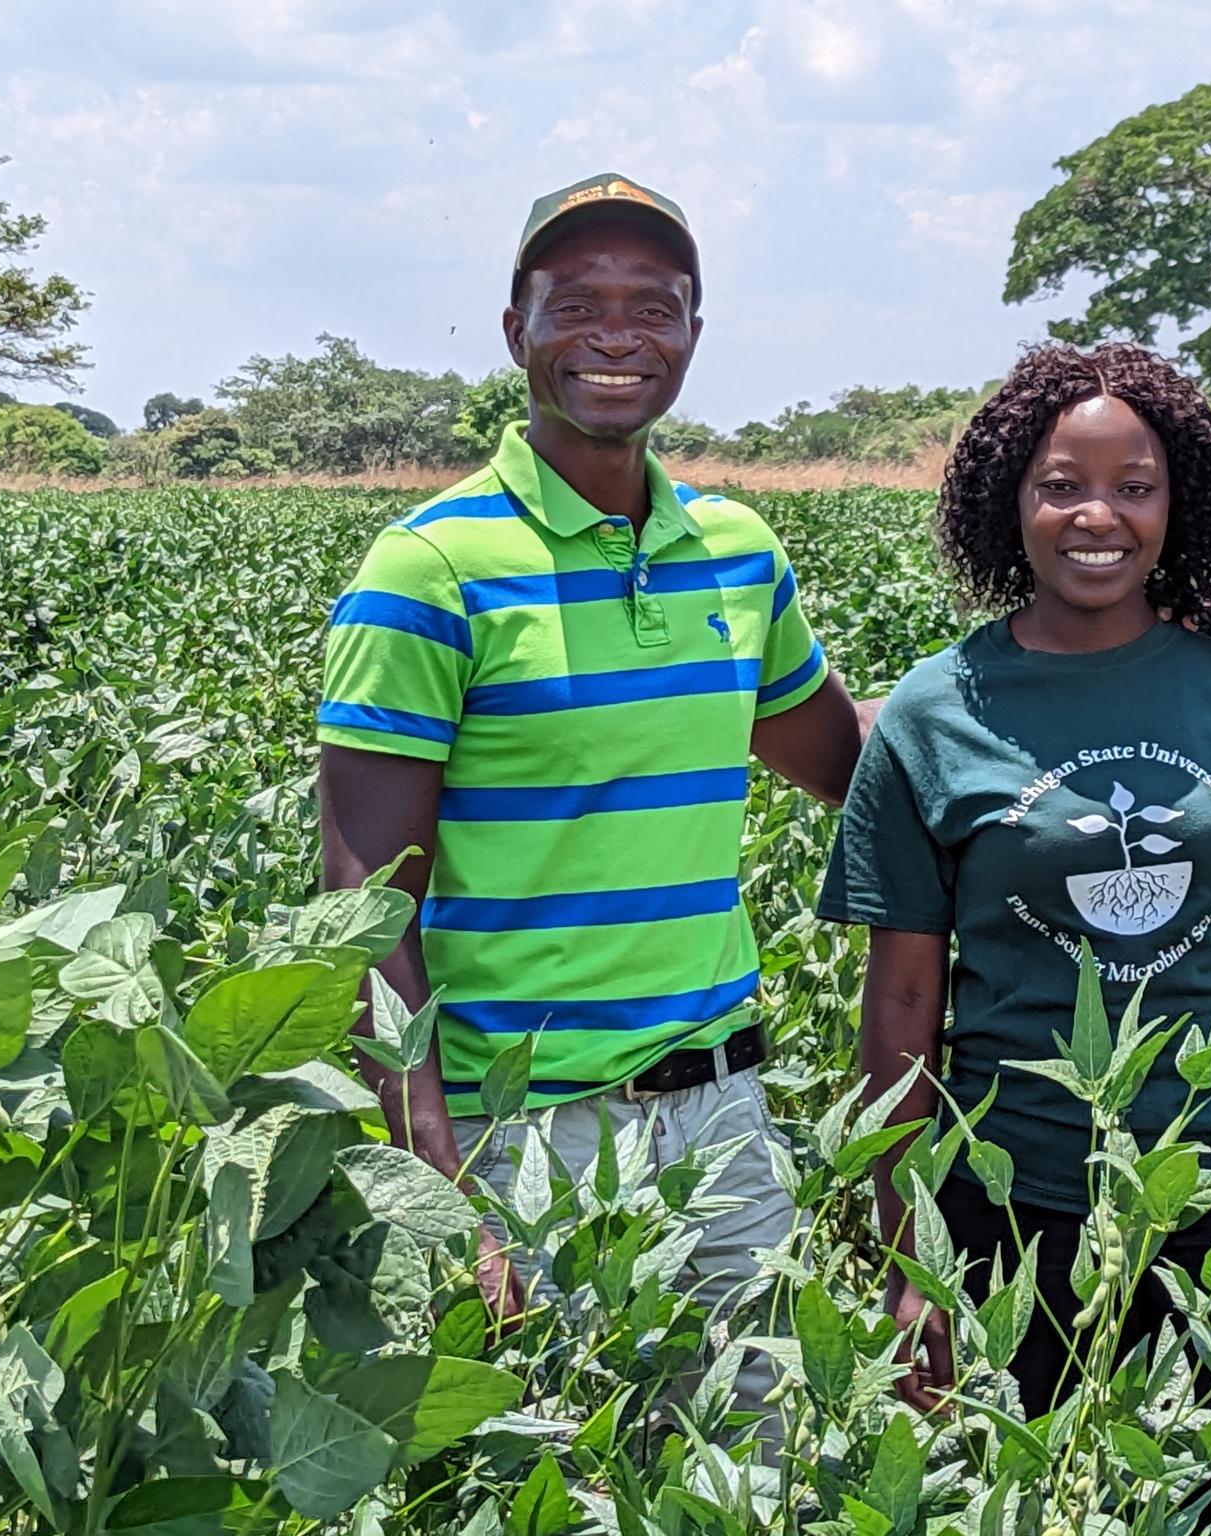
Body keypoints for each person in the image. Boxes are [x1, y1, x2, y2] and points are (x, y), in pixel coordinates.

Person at [317, 173, 870, 1426]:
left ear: (691, 335)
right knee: (553, 1486)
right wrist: (440, 1191)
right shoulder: (431, 566)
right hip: (521, 1141)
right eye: (579, 304)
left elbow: (845, 761)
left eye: (653, 307)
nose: (617, 335)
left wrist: (1074, 677)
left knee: (756, 1476)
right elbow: (359, 914)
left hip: (724, 1117)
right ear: (518, 330)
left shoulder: (737, 549)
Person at [818, 342, 1211, 1510]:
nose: (1099, 515)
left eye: (1136, 487)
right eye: (1062, 482)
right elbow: (905, 1002)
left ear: (1181, 505)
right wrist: (905, 1250)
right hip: (1020, 1205)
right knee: (1037, 1501)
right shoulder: (938, 709)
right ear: (1007, 500)